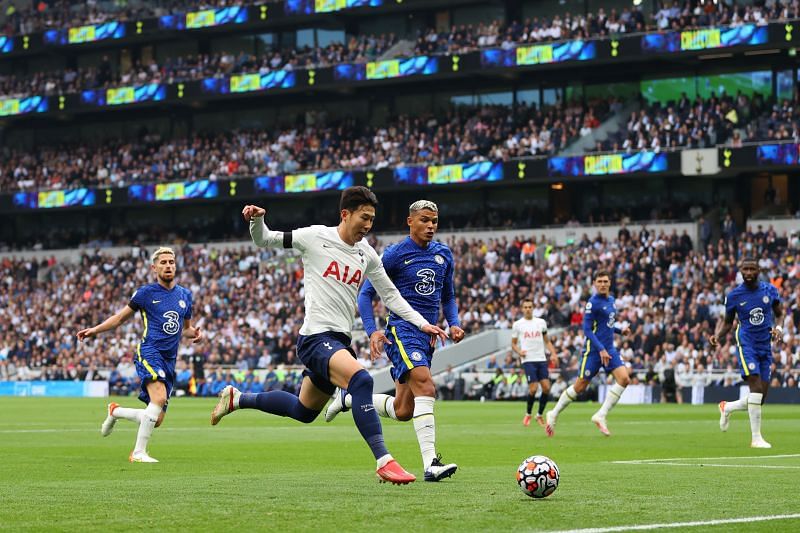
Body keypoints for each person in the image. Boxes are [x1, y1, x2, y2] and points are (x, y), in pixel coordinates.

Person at [210, 187, 447, 484]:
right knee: (361, 379)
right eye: (364, 217)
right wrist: (256, 221)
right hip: (314, 338)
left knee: (303, 410)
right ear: (345, 214)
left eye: (372, 219)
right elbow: (265, 239)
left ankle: (238, 398)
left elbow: (391, 296)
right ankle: (384, 460)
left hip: (339, 342)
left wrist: (423, 323)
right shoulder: (315, 236)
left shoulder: (366, 253)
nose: (368, 225)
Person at [324, 200, 464, 482]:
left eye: (434, 221)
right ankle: (431, 464)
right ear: (409, 222)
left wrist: (455, 323)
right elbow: (365, 294)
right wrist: (372, 329)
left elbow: (447, 296)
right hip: (402, 330)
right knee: (426, 384)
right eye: (424, 220)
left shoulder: (443, 255)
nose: (431, 226)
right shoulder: (394, 255)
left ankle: (349, 399)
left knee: (403, 410)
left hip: (428, 335)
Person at [77, 246, 203, 463]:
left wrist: (195, 334)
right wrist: (95, 330)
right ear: (154, 268)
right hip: (149, 351)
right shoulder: (146, 293)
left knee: (157, 418)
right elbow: (119, 318)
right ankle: (138, 453)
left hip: (169, 360)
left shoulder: (185, 295)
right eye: (163, 263)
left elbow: (185, 328)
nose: (168, 266)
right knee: (159, 398)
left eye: (171, 262)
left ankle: (115, 412)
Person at [545, 271, 631, 437]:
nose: (603, 284)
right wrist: (601, 349)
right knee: (580, 386)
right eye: (599, 281)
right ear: (594, 283)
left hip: (609, 348)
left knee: (624, 378)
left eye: (605, 281)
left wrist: (621, 331)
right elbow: (586, 330)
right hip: (593, 351)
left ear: (610, 282)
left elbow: (607, 325)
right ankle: (553, 413)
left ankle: (601, 415)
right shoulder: (593, 303)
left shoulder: (611, 300)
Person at [709, 257, 783, 448]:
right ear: (740, 271)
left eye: (752, 269)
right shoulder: (734, 296)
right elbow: (727, 322)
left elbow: (780, 313)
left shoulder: (769, 290)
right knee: (756, 390)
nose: (748, 273)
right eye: (745, 269)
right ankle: (756, 438)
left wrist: (779, 329)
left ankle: (727, 407)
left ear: (758, 270)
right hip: (746, 343)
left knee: (761, 398)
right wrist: (717, 336)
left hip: (765, 345)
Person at [511, 298, 558, 429]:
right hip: (528, 359)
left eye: (530, 307)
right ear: (522, 309)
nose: (527, 309)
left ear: (533, 308)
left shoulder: (541, 322)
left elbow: (547, 341)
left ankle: (539, 414)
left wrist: (553, 353)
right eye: (525, 307)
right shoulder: (518, 324)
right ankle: (528, 414)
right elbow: (513, 344)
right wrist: (519, 352)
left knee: (547, 388)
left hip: (541, 358)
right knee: (533, 388)